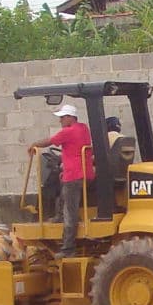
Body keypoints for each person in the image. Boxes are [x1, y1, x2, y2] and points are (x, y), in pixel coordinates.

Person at [30, 103, 93, 255]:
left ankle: (68, 249)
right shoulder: (83, 128)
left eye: (62, 117)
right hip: (83, 173)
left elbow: (49, 141)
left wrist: (33, 145)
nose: (60, 120)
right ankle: (59, 216)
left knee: (70, 213)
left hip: (74, 175)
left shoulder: (68, 132)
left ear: (71, 117)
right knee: (63, 190)